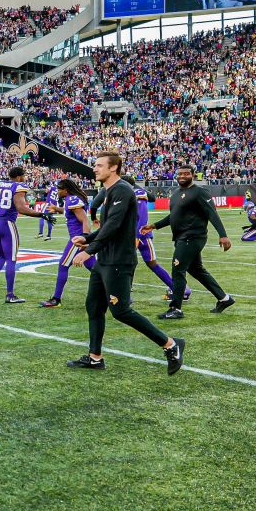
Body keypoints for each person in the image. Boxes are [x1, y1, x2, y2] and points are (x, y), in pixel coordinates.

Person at [66, 152, 185, 374]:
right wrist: (87, 238)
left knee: (120, 311)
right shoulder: (109, 191)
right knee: (94, 307)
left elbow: (113, 225)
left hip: (119, 261)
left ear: (114, 168)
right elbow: (107, 226)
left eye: (99, 165)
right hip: (105, 261)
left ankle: (170, 344)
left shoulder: (122, 190)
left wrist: (89, 251)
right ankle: (95, 357)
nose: (95, 168)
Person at [141, 166, 235, 319]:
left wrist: (223, 235)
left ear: (192, 175)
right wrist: (154, 225)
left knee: (178, 269)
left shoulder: (199, 192)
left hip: (193, 237)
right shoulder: (176, 193)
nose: (182, 176)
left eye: (186, 173)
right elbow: (174, 216)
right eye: (180, 174)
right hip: (181, 237)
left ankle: (176, 309)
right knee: (196, 270)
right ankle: (224, 299)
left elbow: (212, 213)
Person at [0, 166, 45, 304]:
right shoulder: (19, 186)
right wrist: (41, 214)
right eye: (23, 176)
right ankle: (10, 294)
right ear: (19, 177)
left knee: (1, 256)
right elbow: (21, 208)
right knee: (11, 259)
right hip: (7, 224)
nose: (24, 178)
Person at [123, 175, 187, 300]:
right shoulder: (124, 195)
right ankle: (125, 296)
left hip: (141, 237)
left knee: (152, 264)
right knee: (126, 264)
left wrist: (137, 237)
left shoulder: (138, 194)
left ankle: (180, 289)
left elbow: (142, 218)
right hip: (127, 236)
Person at [39, 179, 93, 308]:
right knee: (96, 269)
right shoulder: (71, 199)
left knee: (63, 265)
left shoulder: (72, 199)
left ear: (66, 190)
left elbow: (85, 220)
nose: (57, 192)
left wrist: (84, 238)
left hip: (77, 240)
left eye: (59, 189)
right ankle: (119, 295)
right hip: (79, 238)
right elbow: (68, 211)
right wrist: (57, 208)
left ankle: (56, 299)